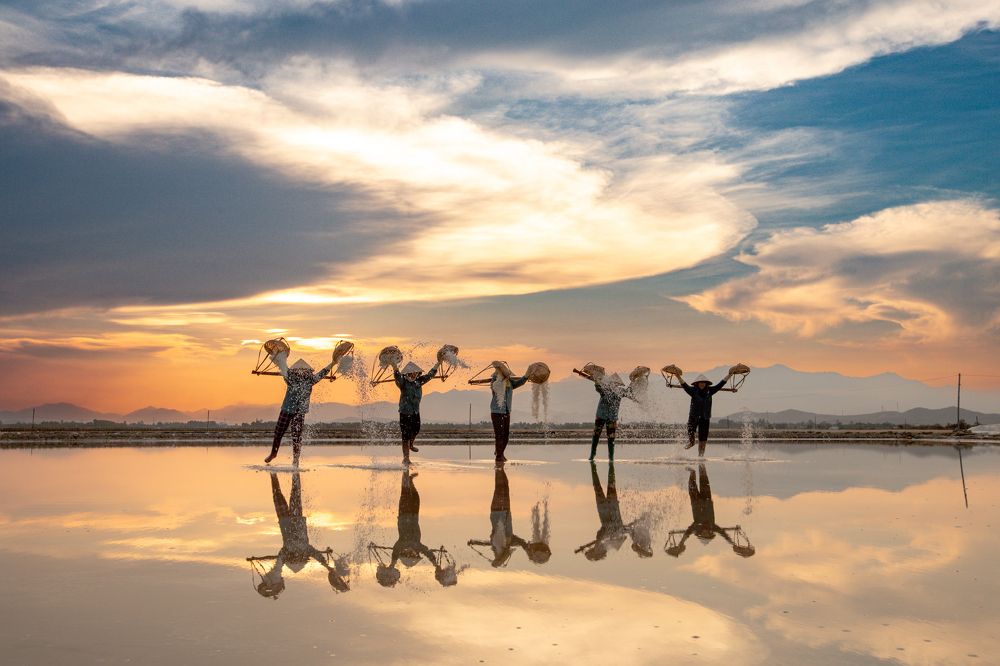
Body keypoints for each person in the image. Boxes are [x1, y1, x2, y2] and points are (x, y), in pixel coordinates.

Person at [249, 472, 348, 598]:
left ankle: (285, 469)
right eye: (299, 559)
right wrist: (328, 567)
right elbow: (279, 566)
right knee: (282, 493)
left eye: (296, 559)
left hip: (291, 519)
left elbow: (315, 557)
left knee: (291, 492)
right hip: (288, 519)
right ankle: (278, 471)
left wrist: (328, 567)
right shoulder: (291, 553)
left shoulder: (300, 551)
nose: (297, 557)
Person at [373, 470, 458, 587]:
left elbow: (395, 554)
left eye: (407, 554)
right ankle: (410, 480)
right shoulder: (417, 546)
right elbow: (429, 554)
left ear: (403, 553)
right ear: (417, 554)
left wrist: (392, 565)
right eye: (412, 555)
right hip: (414, 515)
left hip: (404, 514)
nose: (410, 552)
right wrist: (436, 565)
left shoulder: (400, 545)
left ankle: (405, 469)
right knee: (416, 497)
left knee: (405, 491)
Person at [665, 464, 755, 558]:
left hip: (695, 500)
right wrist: (733, 544)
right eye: (708, 534)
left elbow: (687, 534)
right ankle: (701, 463)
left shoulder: (696, 527)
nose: (706, 532)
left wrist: (681, 543)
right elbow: (724, 534)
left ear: (700, 534)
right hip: (707, 499)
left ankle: (692, 472)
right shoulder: (713, 527)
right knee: (704, 478)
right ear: (710, 533)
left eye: (704, 534)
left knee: (692, 483)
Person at [468, 466, 551, 567]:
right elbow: (521, 542)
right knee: (505, 484)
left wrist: (474, 542)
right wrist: (528, 548)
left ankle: (498, 465)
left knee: (499, 486)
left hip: (497, 512)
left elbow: (493, 551)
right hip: (506, 511)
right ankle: (500, 466)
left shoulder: (498, 544)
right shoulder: (510, 541)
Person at [265, 357, 335, 465]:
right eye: (299, 371)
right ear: (295, 372)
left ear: (308, 372)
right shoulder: (290, 379)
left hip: (300, 411)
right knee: (278, 432)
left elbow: (322, 373)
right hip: (287, 409)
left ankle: (296, 459)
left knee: (297, 436)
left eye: (304, 371)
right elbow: (283, 367)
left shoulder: (310, 380)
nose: (302, 373)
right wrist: (278, 358)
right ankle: (273, 453)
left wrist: (333, 363)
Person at [392, 359, 441, 465]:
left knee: (416, 430)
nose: (414, 374)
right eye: (411, 373)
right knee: (405, 436)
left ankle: (411, 445)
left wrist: (438, 363)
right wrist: (394, 365)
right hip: (405, 412)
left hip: (415, 411)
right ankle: (406, 458)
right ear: (407, 373)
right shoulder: (403, 383)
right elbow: (397, 376)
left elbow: (430, 375)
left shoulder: (419, 381)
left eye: (415, 373)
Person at [575, 462, 627, 561]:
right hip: (610, 510)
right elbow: (620, 533)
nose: (592, 549)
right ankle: (607, 464)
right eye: (592, 550)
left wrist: (599, 540)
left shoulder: (606, 543)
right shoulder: (612, 544)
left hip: (605, 511)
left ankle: (595, 466)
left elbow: (605, 532)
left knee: (601, 486)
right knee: (608, 485)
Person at [482, 362, 530, 464]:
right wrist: (503, 378)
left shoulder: (510, 382)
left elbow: (519, 382)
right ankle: (499, 457)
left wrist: (526, 376)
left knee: (506, 435)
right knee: (499, 435)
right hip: (497, 411)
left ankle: (500, 453)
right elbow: (495, 387)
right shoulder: (496, 380)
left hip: (507, 411)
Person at [679, 369, 733, 456]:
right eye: (700, 383)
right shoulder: (693, 391)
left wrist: (730, 374)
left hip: (705, 418)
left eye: (703, 383)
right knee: (691, 433)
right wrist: (677, 376)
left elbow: (721, 384)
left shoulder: (710, 391)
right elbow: (684, 385)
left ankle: (701, 457)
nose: (702, 384)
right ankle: (691, 443)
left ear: (706, 384)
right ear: (697, 383)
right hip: (693, 417)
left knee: (703, 439)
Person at [586, 372, 633, 461]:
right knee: (596, 435)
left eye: (614, 383)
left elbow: (629, 393)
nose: (613, 385)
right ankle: (592, 454)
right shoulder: (605, 389)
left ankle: (611, 457)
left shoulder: (620, 391)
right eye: (611, 383)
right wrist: (596, 381)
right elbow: (598, 387)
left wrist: (633, 383)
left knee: (611, 438)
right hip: (601, 415)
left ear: (617, 384)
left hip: (612, 418)